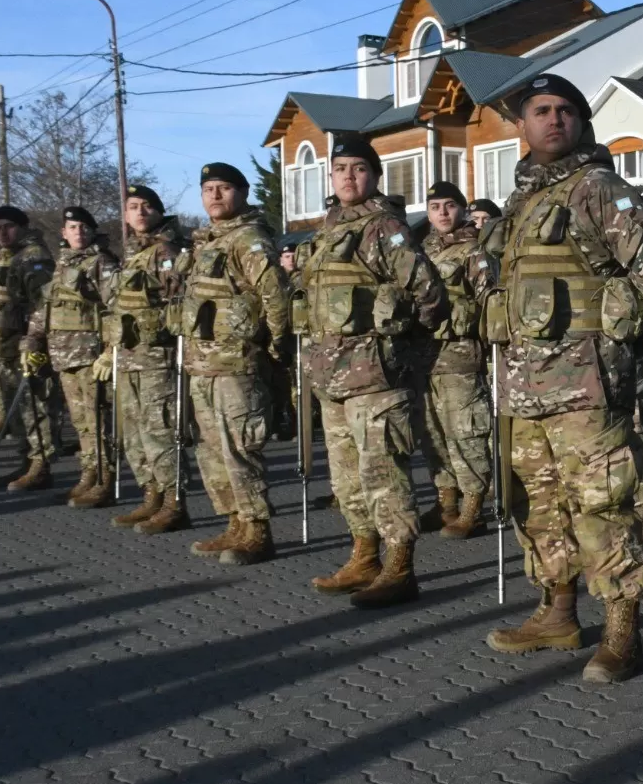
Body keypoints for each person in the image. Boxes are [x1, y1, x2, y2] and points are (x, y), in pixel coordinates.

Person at [480, 73, 643, 683]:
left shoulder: (598, 188)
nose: (553, 120)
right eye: (540, 110)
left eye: (566, 110)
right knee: (539, 506)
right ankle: (558, 613)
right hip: (521, 385)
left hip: (586, 386)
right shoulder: (520, 202)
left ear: (581, 123)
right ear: (522, 125)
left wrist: (625, 338)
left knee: (605, 504)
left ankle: (623, 630)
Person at [302, 138, 446, 606]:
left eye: (358, 168)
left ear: (374, 175)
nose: (348, 177)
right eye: (340, 168)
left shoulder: (386, 228)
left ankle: (399, 567)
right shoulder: (325, 232)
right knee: (347, 478)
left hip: (376, 379)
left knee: (384, 474)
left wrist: (400, 345)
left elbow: (429, 295)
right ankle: (364, 556)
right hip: (331, 379)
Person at [176, 163, 291, 565]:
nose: (215, 196)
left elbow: (275, 296)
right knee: (211, 450)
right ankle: (234, 523)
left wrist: (276, 349)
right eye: (208, 188)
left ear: (241, 193)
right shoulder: (206, 242)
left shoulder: (250, 239)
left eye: (224, 188)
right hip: (202, 365)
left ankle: (258, 530)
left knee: (240, 448)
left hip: (237, 364)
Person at [106, 185, 193, 533]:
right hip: (129, 355)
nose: (140, 212)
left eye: (146, 206)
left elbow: (179, 300)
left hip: (157, 354)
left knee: (159, 429)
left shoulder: (167, 251)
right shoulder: (132, 253)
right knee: (134, 433)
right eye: (132, 207)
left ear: (158, 211)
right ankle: (151, 495)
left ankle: (174, 502)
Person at [25, 207, 120, 507]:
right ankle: (88, 475)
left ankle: (104, 478)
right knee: (81, 422)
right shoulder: (61, 265)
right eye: (72, 227)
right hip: (64, 356)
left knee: (97, 420)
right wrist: (33, 345)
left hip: (91, 355)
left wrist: (110, 351)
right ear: (63, 233)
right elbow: (45, 310)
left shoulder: (101, 262)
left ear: (92, 231)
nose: (78, 232)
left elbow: (116, 307)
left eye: (83, 227)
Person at [415, 178, 493, 541]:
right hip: (425, 358)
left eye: (448, 205)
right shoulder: (422, 253)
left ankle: (473, 508)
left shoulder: (474, 251)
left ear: (461, 209)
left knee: (466, 433)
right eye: (435, 207)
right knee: (433, 434)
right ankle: (445, 502)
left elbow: (490, 302)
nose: (442, 213)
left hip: (461, 357)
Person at [0, 206, 56, 489]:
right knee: (16, 406)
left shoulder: (33, 257)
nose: (2, 232)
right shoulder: (4, 258)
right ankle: (26, 459)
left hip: (25, 344)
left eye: (8, 226)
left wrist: (33, 341)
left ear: (22, 227)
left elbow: (42, 304)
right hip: (4, 347)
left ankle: (40, 464)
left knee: (34, 406)